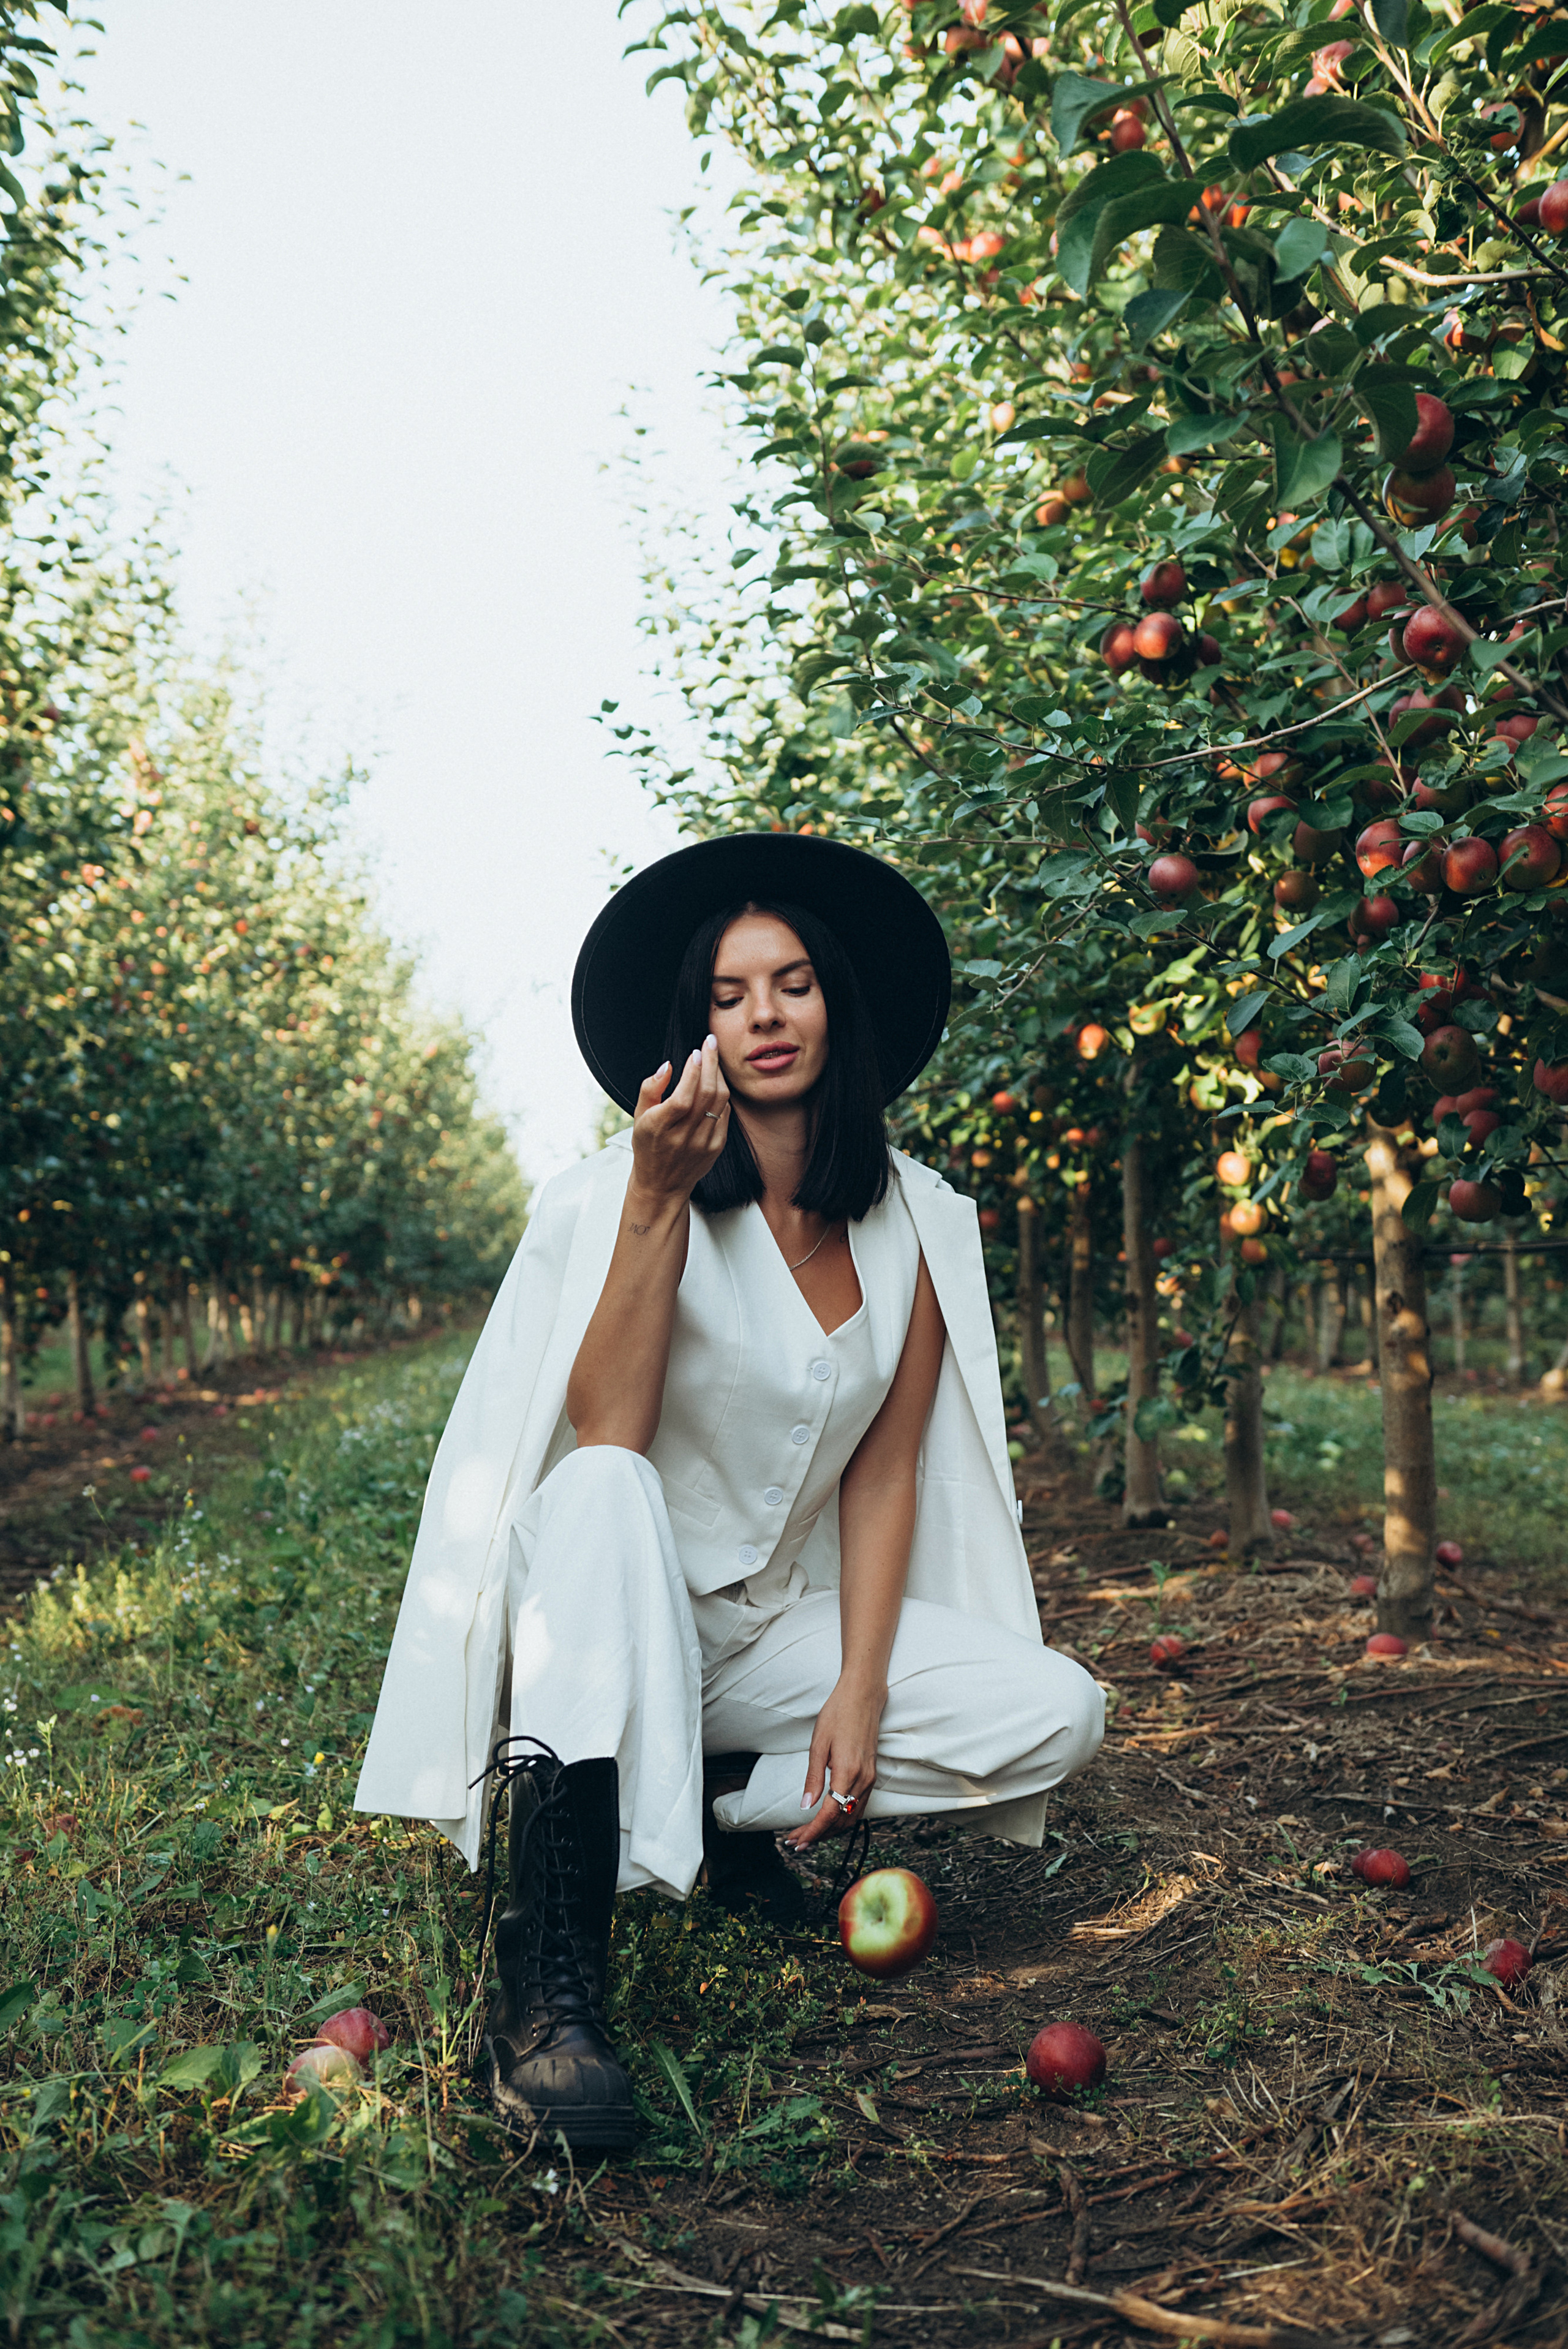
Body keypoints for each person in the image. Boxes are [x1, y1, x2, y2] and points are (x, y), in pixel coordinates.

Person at [355, 832, 1104, 2154]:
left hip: (760, 1629)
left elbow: (884, 1469)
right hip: (600, 1622)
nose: (764, 1014)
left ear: (836, 1005)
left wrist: (858, 1685)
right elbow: (610, 1428)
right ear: (695, 1023)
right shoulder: (616, 1192)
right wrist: (653, 1198)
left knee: (1054, 1709)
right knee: (595, 1488)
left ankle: (719, 1808)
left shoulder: (910, 1221)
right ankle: (550, 1982)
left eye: (793, 981)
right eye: (728, 991)